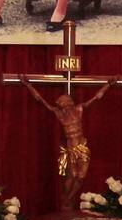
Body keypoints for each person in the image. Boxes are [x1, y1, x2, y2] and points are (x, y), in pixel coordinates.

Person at [23, 77, 112, 209]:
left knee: (81, 176)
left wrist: (108, 85)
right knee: (73, 174)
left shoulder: (79, 110)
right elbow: (40, 100)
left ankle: (68, 198)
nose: (65, 106)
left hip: (82, 145)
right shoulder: (59, 114)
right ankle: (67, 199)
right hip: (71, 146)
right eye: (63, 104)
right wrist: (28, 85)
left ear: (70, 103)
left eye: (67, 103)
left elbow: (96, 98)